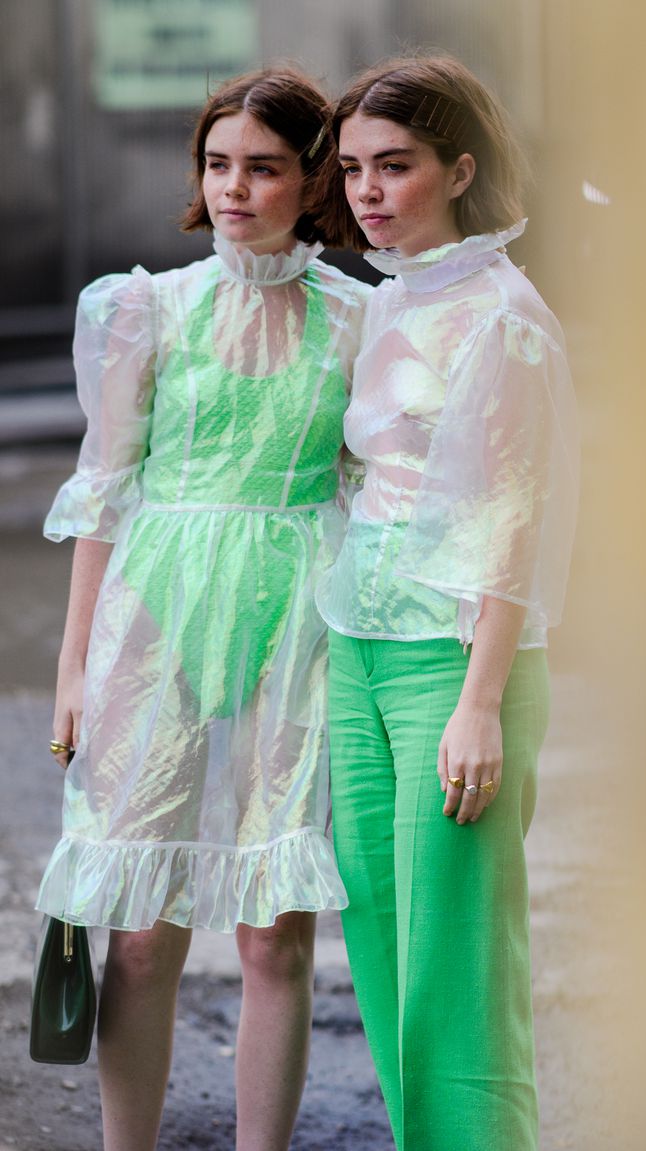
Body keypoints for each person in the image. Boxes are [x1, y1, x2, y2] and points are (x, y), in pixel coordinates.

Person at [37, 67, 369, 1151]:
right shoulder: (147, 308)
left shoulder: (361, 319)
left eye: (262, 168)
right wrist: (74, 666)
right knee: (141, 931)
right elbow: (103, 492)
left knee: (277, 932)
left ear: (312, 181)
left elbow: (379, 486)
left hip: (299, 615)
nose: (232, 188)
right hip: (157, 609)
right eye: (217, 164)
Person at [314, 55, 580, 1151]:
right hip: (358, 649)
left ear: (461, 169)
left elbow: (515, 517)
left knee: (457, 960)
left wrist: (479, 701)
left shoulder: (503, 315)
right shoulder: (389, 299)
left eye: (395, 165)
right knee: (380, 939)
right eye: (352, 169)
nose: (368, 191)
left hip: (455, 663)